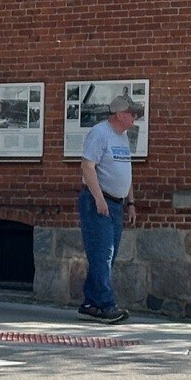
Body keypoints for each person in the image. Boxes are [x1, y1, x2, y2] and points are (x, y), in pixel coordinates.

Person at [77, 92, 140, 324]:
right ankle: (106, 305)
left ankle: (90, 304)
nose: (135, 118)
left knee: (107, 257)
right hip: (98, 202)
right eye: (132, 114)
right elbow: (87, 166)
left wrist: (130, 202)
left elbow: (126, 171)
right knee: (102, 254)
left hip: (116, 203)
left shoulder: (123, 137)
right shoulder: (99, 133)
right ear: (120, 114)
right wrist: (98, 198)